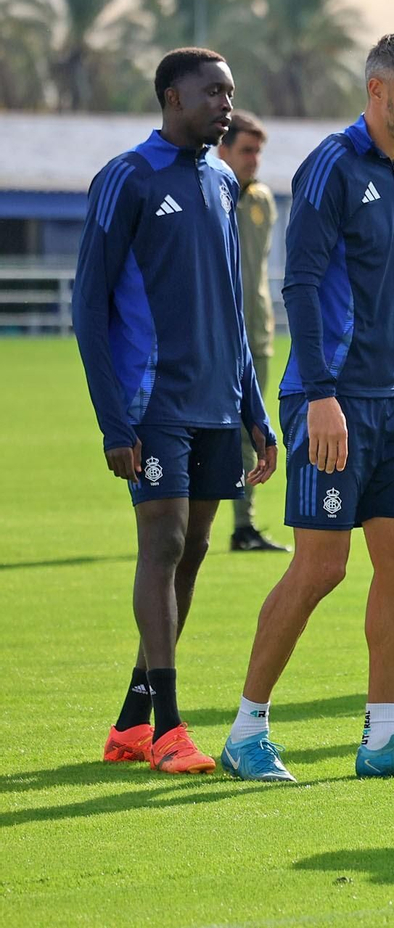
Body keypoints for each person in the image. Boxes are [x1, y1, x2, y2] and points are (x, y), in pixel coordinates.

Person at [220, 33, 394, 781]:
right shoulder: (330, 166)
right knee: (322, 565)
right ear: (377, 90)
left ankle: (383, 737)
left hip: (391, 396)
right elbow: (301, 285)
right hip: (328, 398)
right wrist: (323, 393)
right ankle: (244, 731)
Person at [76, 47, 277, 774]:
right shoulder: (126, 178)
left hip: (218, 401)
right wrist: (113, 420)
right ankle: (169, 725)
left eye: (230, 92)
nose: (226, 104)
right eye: (212, 93)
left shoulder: (225, 180)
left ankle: (132, 720)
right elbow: (88, 307)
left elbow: (230, 301)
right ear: (171, 97)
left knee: (191, 551)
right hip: (151, 400)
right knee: (160, 545)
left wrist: (255, 409)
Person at [217, 111, 289, 553]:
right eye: (246, 150)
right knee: (198, 431)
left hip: (256, 333)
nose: (254, 160)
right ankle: (180, 522)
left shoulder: (262, 200)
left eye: (258, 151)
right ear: (222, 149)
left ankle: (244, 525)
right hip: (212, 335)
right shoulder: (205, 193)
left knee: (253, 433)